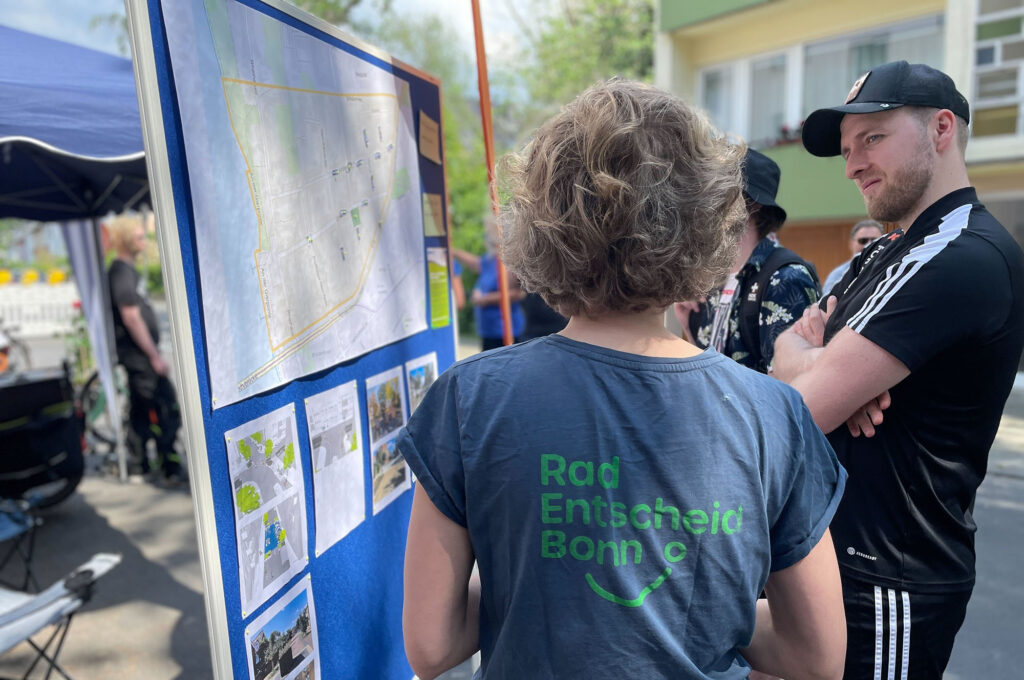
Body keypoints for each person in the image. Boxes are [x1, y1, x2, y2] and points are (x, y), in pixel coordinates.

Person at [399, 80, 846, 680]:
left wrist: (532, 589)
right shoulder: (775, 414)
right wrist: (717, 616)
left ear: (542, 225)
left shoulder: (468, 399)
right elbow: (815, 656)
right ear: (706, 222)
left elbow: (430, 645)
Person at [774, 60, 1024, 679]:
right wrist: (814, 361)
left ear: (942, 129)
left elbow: (798, 412)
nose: (853, 163)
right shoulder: (887, 251)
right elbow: (793, 348)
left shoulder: (960, 254)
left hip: (888, 579)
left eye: (873, 138)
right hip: (834, 558)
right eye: (847, 149)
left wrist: (821, 368)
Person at [676, 149, 820, 373]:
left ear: (753, 204)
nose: (705, 204)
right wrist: (686, 325)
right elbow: (710, 375)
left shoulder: (786, 278)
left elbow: (788, 389)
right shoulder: (713, 278)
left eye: (719, 192)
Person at [106, 215, 184, 484]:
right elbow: (131, 316)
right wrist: (154, 356)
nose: (143, 241)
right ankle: (169, 465)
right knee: (164, 405)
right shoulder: (120, 272)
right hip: (138, 356)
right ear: (127, 239)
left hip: (140, 355)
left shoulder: (128, 270)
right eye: (139, 236)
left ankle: (139, 464)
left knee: (141, 408)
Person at [452, 215, 526, 350]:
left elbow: (518, 293)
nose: (486, 236)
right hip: (488, 329)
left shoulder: (508, 261)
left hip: (504, 330)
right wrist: (453, 252)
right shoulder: (490, 259)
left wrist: (485, 299)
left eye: (489, 232)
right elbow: (475, 263)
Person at [821, 219, 884, 295]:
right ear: (851, 244)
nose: (869, 245)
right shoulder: (838, 275)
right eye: (863, 240)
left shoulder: (891, 269)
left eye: (875, 240)